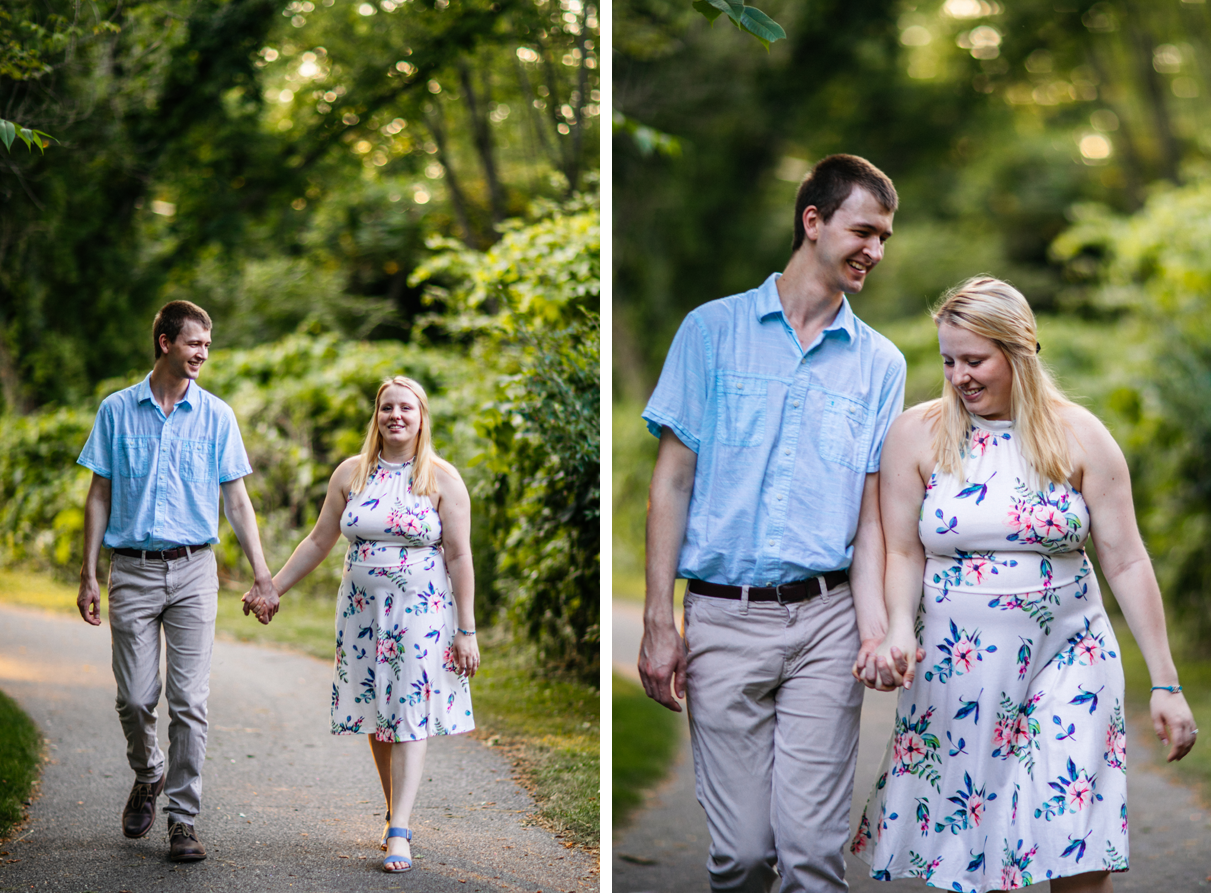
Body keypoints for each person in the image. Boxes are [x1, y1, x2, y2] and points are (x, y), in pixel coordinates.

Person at [853, 277, 1198, 892]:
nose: (959, 376)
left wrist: (1166, 682)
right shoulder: (917, 433)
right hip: (958, 671)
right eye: (949, 360)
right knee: (969, 842)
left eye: (975, 360)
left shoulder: (1080, 434)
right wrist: (900, 627)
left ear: (1019, 352)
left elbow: (1126, 561)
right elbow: (902, 550)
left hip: (1070, 658)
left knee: (1072, 834)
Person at [638, 154, 908, 892]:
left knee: (812, 858)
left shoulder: (881, 364)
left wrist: (876, 627)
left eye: (884, 237)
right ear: (812, 221)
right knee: (744, 856)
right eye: (863, 231)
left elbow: (872, 517)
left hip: (827, 622)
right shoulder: (711, 331)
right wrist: (659, 617)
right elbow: (672, 481)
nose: (875, 251)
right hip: (725, 617)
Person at [243, 375, 478, 874]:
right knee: (378, 711)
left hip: (422, 610)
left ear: (421, 418)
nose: (396, 416)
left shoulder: (441, 478)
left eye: (406, 409)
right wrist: (272, 589)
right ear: (376, 416)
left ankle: (399, 831)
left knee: (410, 707)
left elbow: (460, 555)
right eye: (387, 407)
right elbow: (317, 540)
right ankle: (397, 807)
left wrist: (467, 630)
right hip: (361, 612)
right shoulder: (352, 473)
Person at [76, 300, 278, 862]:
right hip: (132, 570)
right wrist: (89, 573)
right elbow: (99, 494)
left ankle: (183, 820)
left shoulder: (218, 416)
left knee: (189, 699)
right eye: (195, 344)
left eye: (208, 346)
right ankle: (149, 772)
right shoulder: (116, 411)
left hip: (194, 570)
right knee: (136, 698)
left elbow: (237, 499)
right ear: (166, 342)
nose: (203, 354)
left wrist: (262, 573)